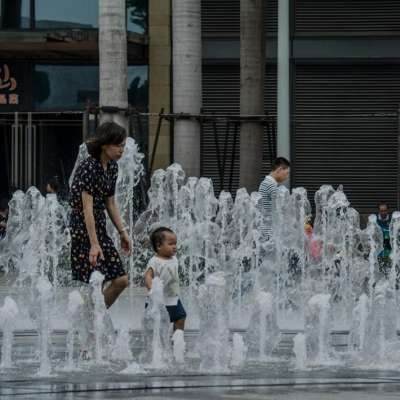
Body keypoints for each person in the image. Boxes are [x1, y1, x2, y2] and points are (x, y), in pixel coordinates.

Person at [69, 121, 132, 308]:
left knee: (121, 280)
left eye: (124, 146)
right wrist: (94, 244)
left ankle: (92, 318)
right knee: (97, 281)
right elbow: (86, 208)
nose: (122, 150)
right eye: (118, 145)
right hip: (83, 229)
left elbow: (110, 202)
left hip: (99, 227)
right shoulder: (89, 167)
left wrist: (122, 232)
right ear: (105, 144)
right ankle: (91, 323)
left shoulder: (112, 167)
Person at [144, 227, 186, 332]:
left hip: (173, 298)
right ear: (158, 246)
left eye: (175, 244)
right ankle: (158, 343)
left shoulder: (174, 258)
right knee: (159, 323)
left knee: (181, 317)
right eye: (171, 244)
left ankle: (176, 340)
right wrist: (152, 290)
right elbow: (148, 276)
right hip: (159, 300)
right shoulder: (155, 261)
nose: (174, 247)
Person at [258, 157, 290, 240]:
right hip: (270, 232)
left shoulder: (265, 183)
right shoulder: (271, 186)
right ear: (279, 170)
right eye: (287, 173)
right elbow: (279, 210)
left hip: (265, 229)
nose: (287, 177)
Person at [377, 202, 392, 272]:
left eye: (385, 210)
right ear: (379, 211)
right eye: (381, 211)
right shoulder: (375, 219)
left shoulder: (392, 219)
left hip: (390, 244)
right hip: (379, 244)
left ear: (388, 210)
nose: (383, 212)